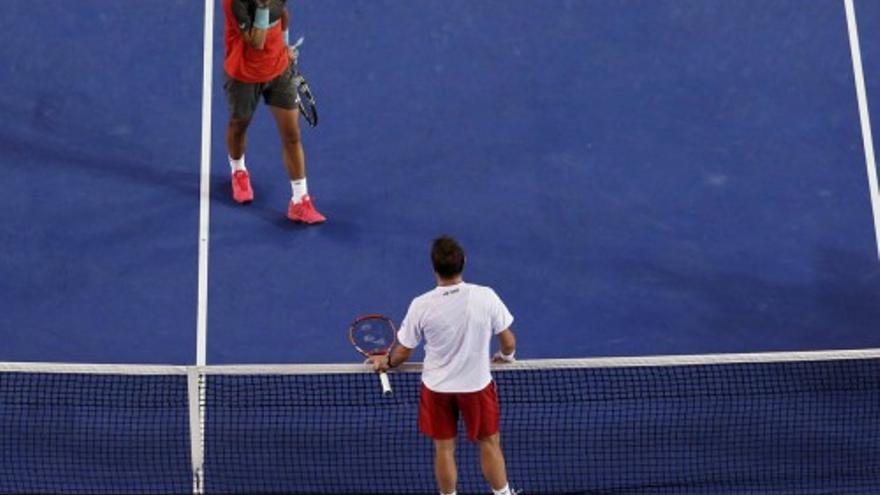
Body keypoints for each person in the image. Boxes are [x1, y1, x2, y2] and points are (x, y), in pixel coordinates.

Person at [372, 236, 518, 495]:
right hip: (476, 387)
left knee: (444, 448)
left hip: (437, 389)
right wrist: (506, 356)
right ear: (464, 263)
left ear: (433, 268)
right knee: (489, 442)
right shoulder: (486, 296)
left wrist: (387, 362)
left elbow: (404, 352)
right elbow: (508, 342)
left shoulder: (421, 304)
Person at [222, 0, 325, 224]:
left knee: (292, 135)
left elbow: (282, 14)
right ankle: (238, 170)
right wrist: (261, 6)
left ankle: (300, 200)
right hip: (244, 75)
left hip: (279, 70)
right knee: (239, 127)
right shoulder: (233, 2)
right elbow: (256, 43)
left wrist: (286, 45)